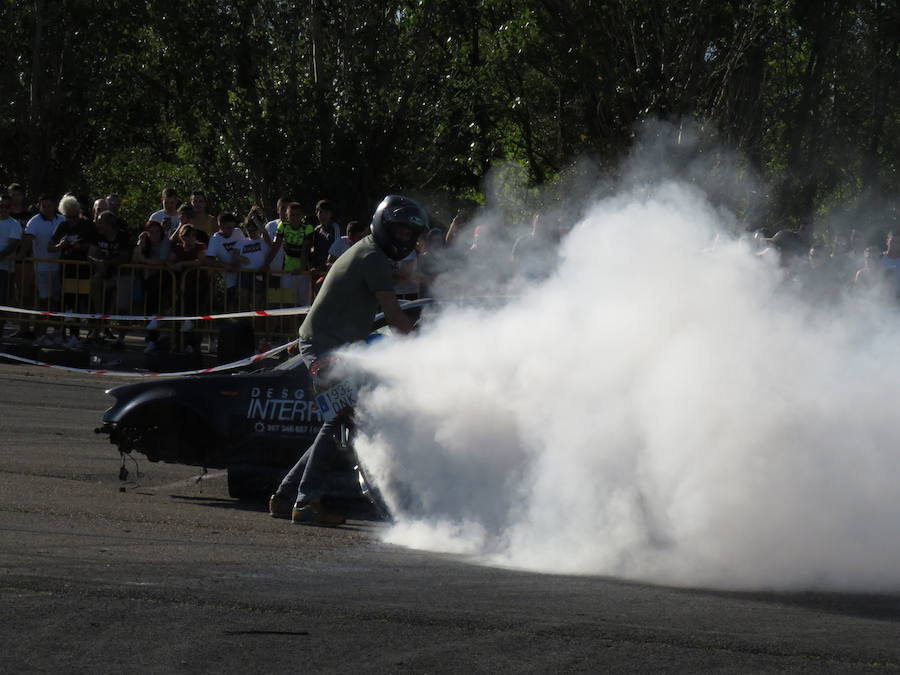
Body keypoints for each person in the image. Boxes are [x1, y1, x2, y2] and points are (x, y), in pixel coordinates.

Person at [267, 194, 428, 527]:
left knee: (340, 418)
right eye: (397, 231)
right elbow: (396, 316)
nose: (403, 238)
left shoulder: (371, 255)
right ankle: (306, 502)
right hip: (324, 348)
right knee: (342, 418)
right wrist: (422, 352)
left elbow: (398, 281)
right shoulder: (372, 257)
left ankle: (285, 497)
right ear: (384, 226)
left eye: (407, 233)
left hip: (328, 345)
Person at [263, 202, 314, 305]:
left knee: (304, 304)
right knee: (288, 305)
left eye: (298, 215)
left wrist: (301, 268)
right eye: (292, 215)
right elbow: (275, 246)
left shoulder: (307, 228)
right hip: (287, 272)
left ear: (302, 216)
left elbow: (305, 250)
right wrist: (266, 264)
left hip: (303, 272)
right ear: (287, 215)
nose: (295, 218)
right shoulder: (283, 226)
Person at [203, 212, 247, 309]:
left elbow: (246, 247)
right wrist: (226, 266)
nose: (231, 230)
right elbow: (209, 260)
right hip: (230, 280)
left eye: (232, 227)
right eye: (228, 227)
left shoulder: (238, 232)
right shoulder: (215, 239)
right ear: (220, 226)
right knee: (232, 305)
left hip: (244, 275)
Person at [0, 194, 22, 307]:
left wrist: (1, 255)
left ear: (11, 208)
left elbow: (13, 245)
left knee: (2, 299)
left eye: (6, 206)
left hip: (4, 268)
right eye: (1, 206)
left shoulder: (14, 224)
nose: (3, 209)